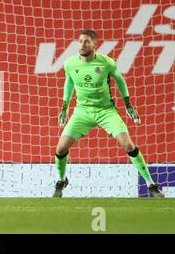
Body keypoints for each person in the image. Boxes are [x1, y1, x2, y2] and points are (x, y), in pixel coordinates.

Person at [53, 29, 164, 198]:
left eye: (87, 41)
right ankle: (61, 180)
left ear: (94, 44)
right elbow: (69, 82)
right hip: (82, 111)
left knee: (128, 145)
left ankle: (151, 184)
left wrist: (128, 105)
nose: (82, 45)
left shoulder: (107, 63)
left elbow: (120, 80)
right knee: (61, 149)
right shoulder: (70, 63)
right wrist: (64, 107)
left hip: (106, 111)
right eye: (81, 41)